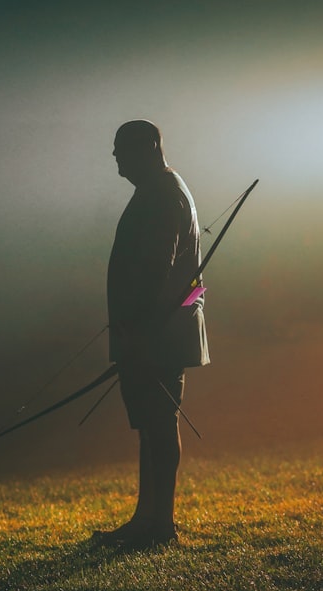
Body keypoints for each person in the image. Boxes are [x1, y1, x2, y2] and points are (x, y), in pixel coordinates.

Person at [92, 120, 210, 549]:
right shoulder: (163, 189)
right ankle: (149, 520)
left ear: (150, 147)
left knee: (158, 423)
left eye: (122, 149)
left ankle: (159, 524)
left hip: (155, 333)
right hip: (153, 330)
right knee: (154, 424)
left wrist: (137, 326)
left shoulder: (161, 193)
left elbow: (156, 266)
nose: (116, 159)